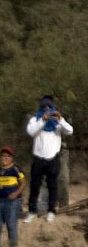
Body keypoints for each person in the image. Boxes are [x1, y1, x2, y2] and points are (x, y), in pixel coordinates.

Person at [24, 95, 74, 223]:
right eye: (44, 107)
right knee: (35, 186)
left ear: (52, 108)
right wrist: (42, 120)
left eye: (49, 107)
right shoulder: (35, 120)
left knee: (53, 186)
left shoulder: (57, 124)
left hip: (53, 159)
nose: (47, 110)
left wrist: (61, 119)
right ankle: (32, 212)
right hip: (38, 158)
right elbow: (31, 132)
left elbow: (70, 131)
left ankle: (51, 211)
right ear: (41, 108)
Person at [0, 147, 25, 247]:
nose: (5, 158)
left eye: (8, 156)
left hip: (13, 201)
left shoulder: (16, 169)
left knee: (11, 224)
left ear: (11, 158)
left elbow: (23, 183)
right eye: (3, 156)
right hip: (0, 200)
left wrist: (16, 193)